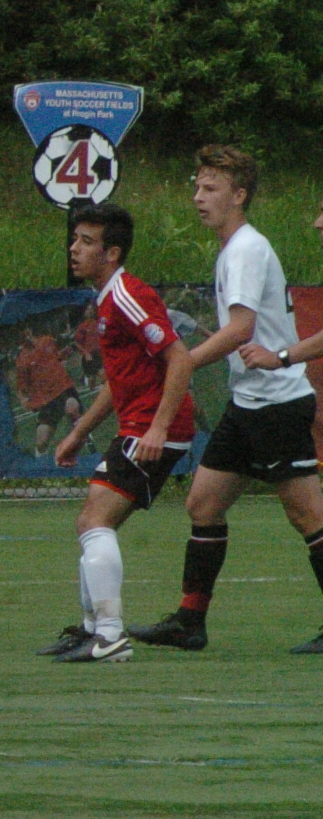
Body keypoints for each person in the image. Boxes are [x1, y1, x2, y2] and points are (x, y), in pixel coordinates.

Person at [130, 148, 323, 652]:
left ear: (239, 195)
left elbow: (241, 329)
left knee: (309, 516)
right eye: (197, 187)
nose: (199, 197)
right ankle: (189, 622)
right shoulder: (236, 248)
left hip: (277, 402)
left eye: (211, 188)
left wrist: (183, 362)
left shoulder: (244, 249)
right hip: (249, 401)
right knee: (204, 503)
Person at [45, 203, 195, 663]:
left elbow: (180, 359)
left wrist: (158, 428)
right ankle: (93, 630)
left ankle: (108, 636)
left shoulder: (127, 294)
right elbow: (120, 379)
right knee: (93, 521)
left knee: (94, 521)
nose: (74, 248)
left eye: (87, 242)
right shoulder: (108, 297)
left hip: (151, 429)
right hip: (139, 425)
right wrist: (79, 432)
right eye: (75, 239)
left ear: (111, 253)